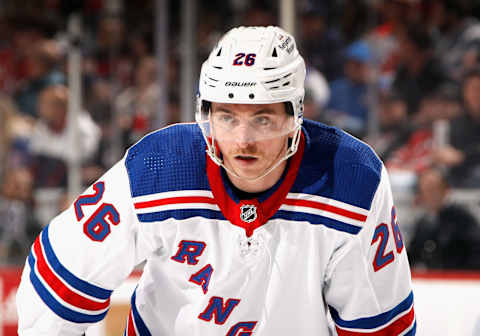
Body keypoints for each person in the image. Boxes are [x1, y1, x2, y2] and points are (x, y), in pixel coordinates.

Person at [16, 26, 416, 335]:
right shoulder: (159, 167)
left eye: (262, 118)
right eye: (227, 116)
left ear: (295, 116)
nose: (242, 140)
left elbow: (379, 324)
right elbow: (60, 275)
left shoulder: (350, 179)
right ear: (205, 114)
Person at [408, 167, 480, 270]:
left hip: (459, 279)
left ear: (445, 190)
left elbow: (475, 252)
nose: (428, 195)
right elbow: (413, 254)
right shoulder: (423, 223)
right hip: (432, 280)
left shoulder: (463, 219)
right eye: (424, 190)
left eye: (433, 189)